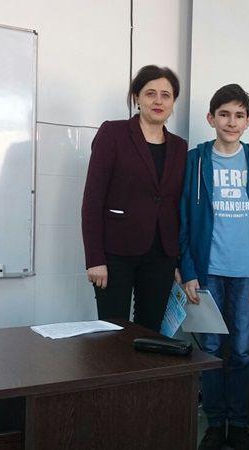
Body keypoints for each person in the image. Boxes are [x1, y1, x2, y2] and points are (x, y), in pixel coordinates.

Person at [179, 84, 249, 450]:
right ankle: (214, 424)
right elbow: (182, 220)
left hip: (247, 274)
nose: (231, 122)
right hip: (207, 273)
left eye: (238, 115)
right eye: (224, 114)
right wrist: (188, 271)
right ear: (211, 118)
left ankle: (238, 424)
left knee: (241, 351)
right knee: (209, 349)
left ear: (248, 121)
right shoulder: (195, 160)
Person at [81, 65, 187, 332]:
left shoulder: (179, 147)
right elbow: (92, 199)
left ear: (173, 102)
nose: (158, 101)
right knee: (113, 331)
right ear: (137, 97)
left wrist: (176, 260)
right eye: (150, 93)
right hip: (115, 252)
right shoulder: (113, 133)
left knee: (150, 332)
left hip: (161, 255)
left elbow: (176, 205)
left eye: (166, 95)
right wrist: (94, 258)